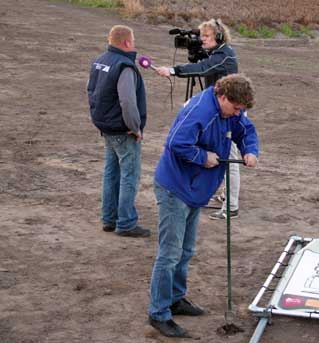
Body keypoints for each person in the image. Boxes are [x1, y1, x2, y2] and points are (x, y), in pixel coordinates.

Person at [148, 74, 258, 338]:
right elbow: (176, 142)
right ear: (223, 97)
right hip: (176, 188)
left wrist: (250, 150)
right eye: (236, 108)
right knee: (170, 253)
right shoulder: (202, 110)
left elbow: (246, 130)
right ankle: (159, 313)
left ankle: (176, 298)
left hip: (195, 189)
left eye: (241, 109)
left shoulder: (230, 110)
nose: (238, 113)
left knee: (185, 250)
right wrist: (202, 156)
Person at [156, 18, 241, 220]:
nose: (202, 40)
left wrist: (174, 70)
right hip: (219, 110)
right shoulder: (216, 51)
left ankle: (232, 206)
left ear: (219, 37)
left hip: (231, 112)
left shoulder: (224, 55)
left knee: (229, 157)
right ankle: (224, 196)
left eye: (206, 36)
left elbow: (203, 68)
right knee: (220, 152)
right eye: (201, 36)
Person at [87, 25, 150, 238]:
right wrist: (135, 127)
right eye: (133, 40)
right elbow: (127, 101)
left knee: (111, 173)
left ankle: (109, 219)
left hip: (106, 127)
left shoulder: (99, 61)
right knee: (129, 176)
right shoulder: (124, 66)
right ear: (126, 43)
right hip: (123, 131)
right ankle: (126, 222)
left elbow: (91, 91)